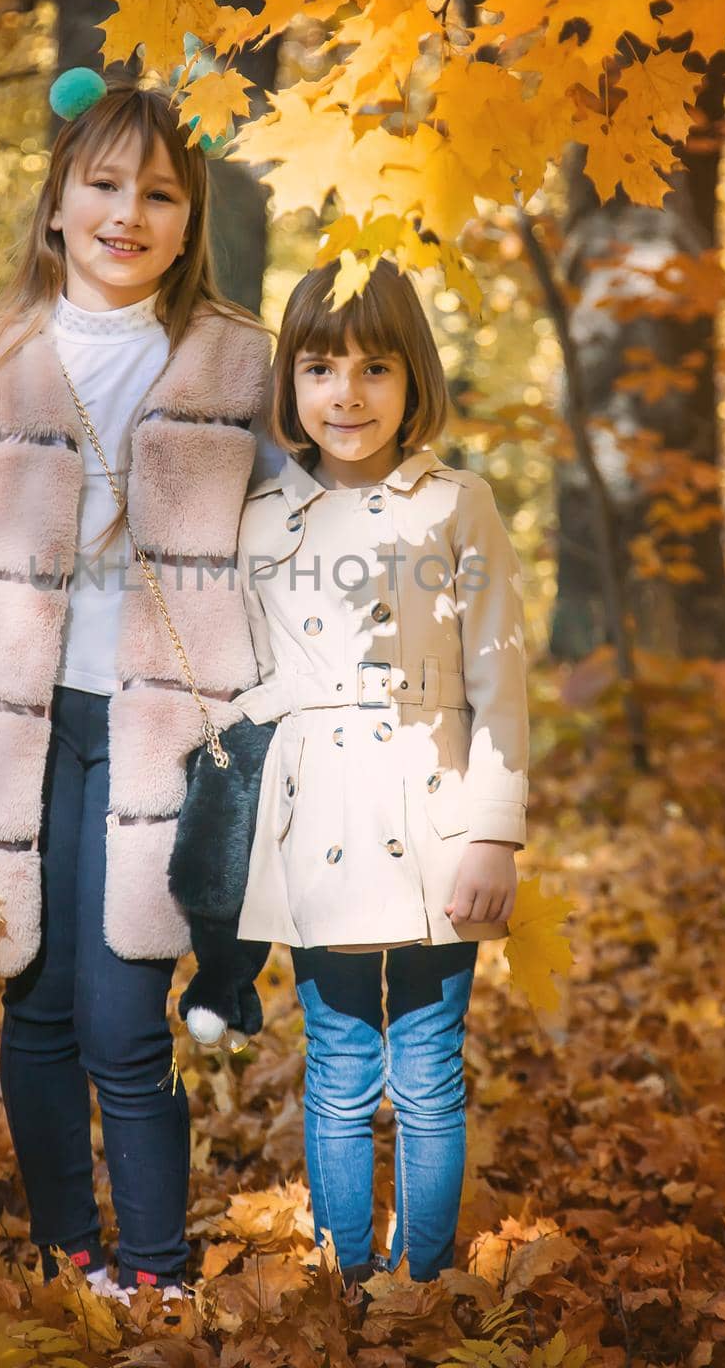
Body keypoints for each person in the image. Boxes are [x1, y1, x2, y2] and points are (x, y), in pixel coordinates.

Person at [0, 74, 271, 1296]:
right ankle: (72, 1261)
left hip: (162, 732)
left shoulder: (237, 363)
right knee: (37, 1009)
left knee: (123, 1021)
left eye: (158, 193)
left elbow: (292, 546)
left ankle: (155, 1273)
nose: (128, 211)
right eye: (103, 184)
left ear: (187, 217)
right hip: (14, 730)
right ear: (56, 200)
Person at [232, 257, 529, 1285]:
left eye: (374, 367)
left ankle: (424, 1280)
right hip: (318, 814)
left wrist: (492, 828)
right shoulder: (263, 519)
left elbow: (498, 676)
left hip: (438, 807)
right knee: (340, 1068)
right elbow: (258, 679)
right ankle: (346, 1279)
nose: (346, 393)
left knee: (430, 1073)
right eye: (319, 368)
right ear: (290, 384)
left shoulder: (457, 505)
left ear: (413, 382)